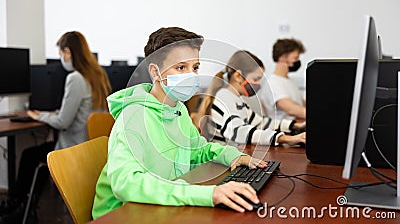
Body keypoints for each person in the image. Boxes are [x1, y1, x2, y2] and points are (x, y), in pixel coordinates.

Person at [92, 27, 268, 219]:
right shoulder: (134, 117)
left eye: (195, 67)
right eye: (181, 67)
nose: (191, 75)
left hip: (160, 205)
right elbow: (125, 183)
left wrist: (232, 156)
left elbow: (197, 149)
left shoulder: (178, 110)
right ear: (155, 72)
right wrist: (206, 194)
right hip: (122, 214)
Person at [0, 31, 112, 223]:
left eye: (61, 53)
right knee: (37, 156)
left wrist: (38, 115)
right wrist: (51, 115)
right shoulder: (98, 76)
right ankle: (27, 208)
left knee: (29, 156)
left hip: (73, 148)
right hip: (92, 148)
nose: (61, 58)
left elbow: (63, 122)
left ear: (67, 52)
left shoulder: (76, 78)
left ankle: (17, 209)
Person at [197, 50, 305, 146]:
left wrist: (295, 126)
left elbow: (260, 123)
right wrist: (284, 138)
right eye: (256, 79)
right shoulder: (224, 97)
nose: (258, 84)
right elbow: (239, 132)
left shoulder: (238, 99)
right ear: (238, 76)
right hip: (223, 162)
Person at [259, 38, 306, 120]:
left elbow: (302, 104)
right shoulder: (273, 83)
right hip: (287, 130)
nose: (298, 61)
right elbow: (291, 110)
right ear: (283, 58)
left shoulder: (289, 81)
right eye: (295, 58)